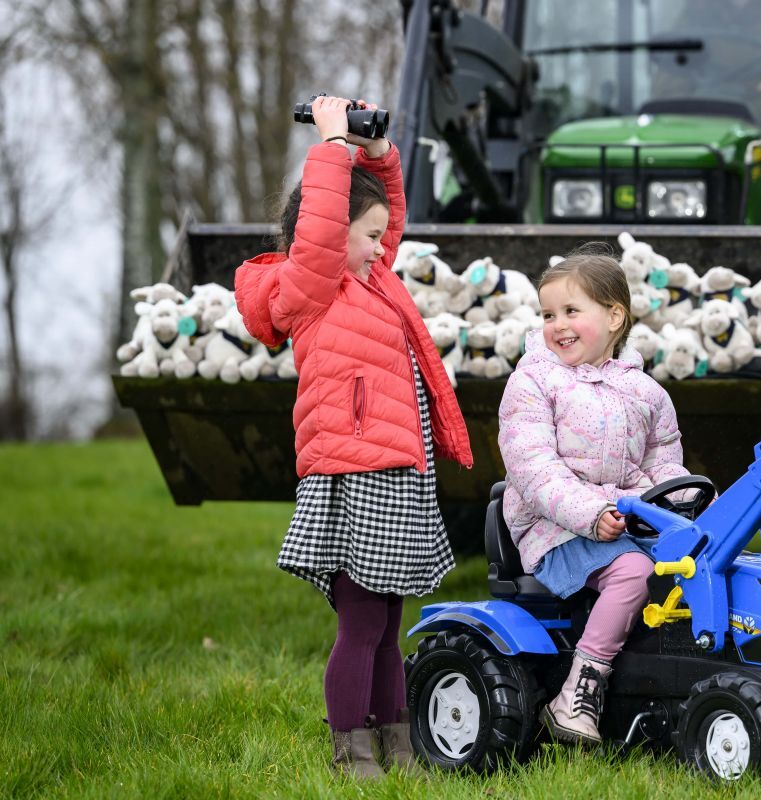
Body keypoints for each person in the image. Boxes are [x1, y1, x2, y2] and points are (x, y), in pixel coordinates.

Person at [234, 95, 473, 778]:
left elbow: (387, 215)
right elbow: (316, 239)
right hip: (354, 473)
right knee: (361, 626)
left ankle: (395, 740)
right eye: (365, 236)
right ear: (328, 232)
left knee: (389, 628)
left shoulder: (368, 278)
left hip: (397, 470)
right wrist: (333, 147)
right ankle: (350, 752)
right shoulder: (308, 286)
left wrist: (377, 154)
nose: (380, 247)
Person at [497, 247, 692, 744]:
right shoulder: (533, 382)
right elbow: (533, 468)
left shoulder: (647, 392)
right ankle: (580, 689)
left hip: (625, 525)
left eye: (570, 311)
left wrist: (680, 505)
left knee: (702, 563)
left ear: (614, 316)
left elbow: (663, 466)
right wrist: (590, 513)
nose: (557, 325)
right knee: (634, 573)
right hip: (555, 529)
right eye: (548, 315)